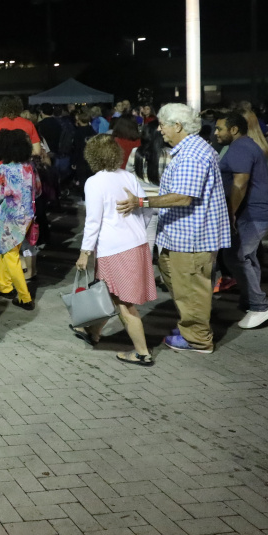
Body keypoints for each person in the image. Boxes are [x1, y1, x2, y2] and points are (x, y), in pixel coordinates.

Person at [116, 103, 231, 354]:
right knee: (185, 289)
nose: (160, 130)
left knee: (191, 290)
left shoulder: (191, 155)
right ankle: (191, 328)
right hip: (182, 236)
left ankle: (198, 339)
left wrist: (141, 202)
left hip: (191, 238)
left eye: (163, 125)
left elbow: (183, 197)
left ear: (178, 126)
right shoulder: (191, 150)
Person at [74, 135, 159, 365]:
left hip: (114, 249)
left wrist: (85, 252)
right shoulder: (128, 177)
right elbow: (146, 209)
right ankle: (93, 332)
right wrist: (135, 230)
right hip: (136, 244)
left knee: (124, 303)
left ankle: (142, 353)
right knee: (110, 293)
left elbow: (93, 221)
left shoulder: (94, 182)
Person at [215, 111, 268, 331]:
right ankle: (249, 300)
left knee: (237, 256)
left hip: (252, 212)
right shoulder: (245, 145)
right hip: (253, 212)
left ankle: (260, 306)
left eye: (220, 129)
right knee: (245, 256)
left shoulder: (240, 147)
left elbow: (240, 183)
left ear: (233, 129)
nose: (216, 133)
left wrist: (230, 213)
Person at [0, 129, 37, 309]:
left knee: (10, 255)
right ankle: (4, 286)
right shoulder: (29, 167)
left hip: (8, 219)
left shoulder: (3, 169)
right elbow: (37, 190)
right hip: (26, 216)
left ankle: (25, 297)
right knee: (8, 251)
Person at [128, 119, 171, 252]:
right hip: (163, 201)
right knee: (164, 240)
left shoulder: (136, 152)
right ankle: (164, 264)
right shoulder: (170, 154)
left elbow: (129, 176)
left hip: (143, 201)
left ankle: (147, 265)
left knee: (148, 238)